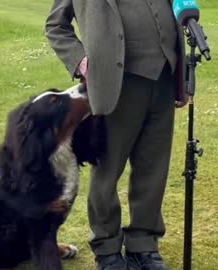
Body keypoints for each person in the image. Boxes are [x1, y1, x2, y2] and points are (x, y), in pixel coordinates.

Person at [45, 1, 188, 269]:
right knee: (107, 172)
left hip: (163, 79)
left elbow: (181, 12)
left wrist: (183, 77)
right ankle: (107, 248)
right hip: (114, 85)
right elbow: (55, 25)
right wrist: (80, 60)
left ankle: (143, 245)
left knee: (153, 170)